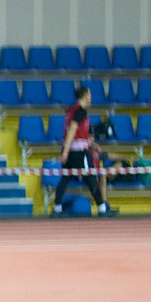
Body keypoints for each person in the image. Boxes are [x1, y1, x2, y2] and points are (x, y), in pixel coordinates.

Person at [50, 85, 113, 216]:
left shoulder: (71, 110)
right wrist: (65, 152)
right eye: (89, 94)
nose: (91, 96)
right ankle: (102, 208)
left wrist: (92, 145)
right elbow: (72, 131)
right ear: (85, 95)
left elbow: (79, 135)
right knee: (91, 178)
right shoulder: (80, 111)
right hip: (78, 152)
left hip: (72, 149)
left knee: (65, 178)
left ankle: (57, 208)